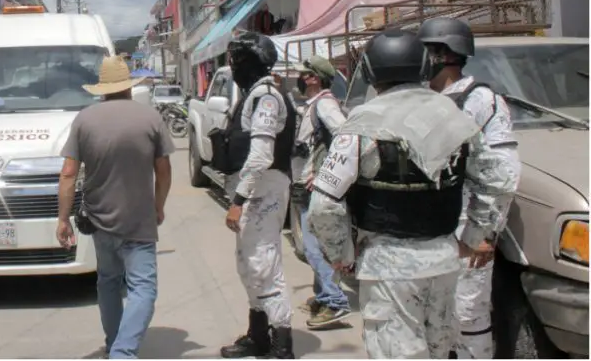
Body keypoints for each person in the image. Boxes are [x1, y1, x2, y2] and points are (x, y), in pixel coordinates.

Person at [306, 30, 513, 358]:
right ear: (423, 67)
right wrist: (473, 236)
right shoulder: (452, 116)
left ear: (371, 73)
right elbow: (499, 179)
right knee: (439, 351)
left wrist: (341, 255)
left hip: (388, 268)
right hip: (444, 262)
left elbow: (323, 204)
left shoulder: (362, 125)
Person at [56, 55, 174, 359]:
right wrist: (158, 206)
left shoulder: (84, 119)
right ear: (129, 87)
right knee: (143, 288)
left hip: (99, 220)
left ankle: (114, 344)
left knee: (108, 282)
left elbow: (68, 174)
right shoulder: (150, 118)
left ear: (103, 89)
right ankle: (122, 351)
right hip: (138, 221)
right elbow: (164, 171)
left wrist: (63, 219)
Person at [419, 18, 520, 359]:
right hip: (428, 231)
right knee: (433, 317)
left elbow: (502, 173)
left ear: (446, 53)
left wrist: (484, 233)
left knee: (467, 317)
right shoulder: (423, 100)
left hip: (466, 229)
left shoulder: (481, 101)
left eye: (426, 50)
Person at [219, 32, 297, 359]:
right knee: (249, 265)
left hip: (263, 191)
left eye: (236, 61)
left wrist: (238, 201)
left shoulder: (265, 97)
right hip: (255, 190)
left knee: (264, 265)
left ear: (250, 63)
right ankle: (258, 336)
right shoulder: (253, 93)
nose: (232, 67)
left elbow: (262, 155)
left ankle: (282, 345)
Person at [292, 56, 351, 328]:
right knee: (316, 244)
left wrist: (324, 172)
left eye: (304, 74)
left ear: (314, 78)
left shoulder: (325, 104)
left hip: (315, 185)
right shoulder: (314, 104)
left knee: (314, 248)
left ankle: (336, 301)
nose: (300, 79)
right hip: (305, 182)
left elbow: (344, 136)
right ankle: (323, 295)